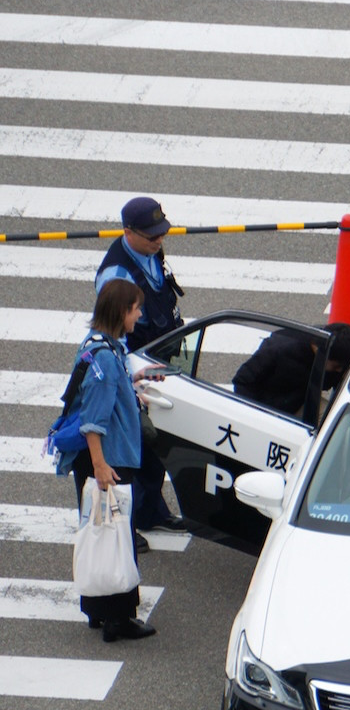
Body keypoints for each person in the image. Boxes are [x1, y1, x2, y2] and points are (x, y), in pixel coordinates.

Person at [67, 279, 162, 642]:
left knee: (98, 530)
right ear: (123, 311)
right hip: (109, 460)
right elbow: (93, 420)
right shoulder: (106, 356)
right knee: (116, 535)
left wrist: (131, 380)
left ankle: (98, 612)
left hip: (99, 460)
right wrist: (101, 466)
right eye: (136, 308)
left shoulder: (98, 345)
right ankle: (119, 620)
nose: (139, 314)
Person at [95, 196, 187, 547]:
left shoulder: (150, 253)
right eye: (151, 235)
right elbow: (112, 335)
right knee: (129, 449)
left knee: (155, 442)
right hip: (132, 369)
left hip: (158, 362)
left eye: (161, 233)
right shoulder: (116, 276)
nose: (158, 240)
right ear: (128, 232)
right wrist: (126, 380)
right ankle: (124, 526)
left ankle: (151, 511)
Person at [232, 323, 350, 416]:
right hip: (267, 407)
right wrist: (255, 415)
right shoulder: (279, 349)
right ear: (324, 355)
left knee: (335, 421)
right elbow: (243, 380)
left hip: (300, 399)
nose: (339, 371)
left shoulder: (329, 344)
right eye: (337, 366)